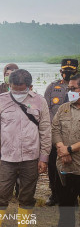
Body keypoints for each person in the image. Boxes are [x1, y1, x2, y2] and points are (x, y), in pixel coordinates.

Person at [0, 69, 51, 227]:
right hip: (7, 158)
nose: (16, 93)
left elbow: (45, 129)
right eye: (13, 89)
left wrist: (44, 157)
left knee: (27, 196)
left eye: (20, 90)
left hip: (31, 157)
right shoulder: (1, 100)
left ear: (29, 87)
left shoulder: (39, 101)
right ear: (9, 85)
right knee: (1, 195)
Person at [44, 58, 78, 206]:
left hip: (74, 141)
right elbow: (45, 110)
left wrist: (68, 149)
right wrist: (60, 146)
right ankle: (55, 194)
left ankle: (72, 195)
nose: (68, 73)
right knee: (54, 166)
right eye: (65, 71)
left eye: (71, 71)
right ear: (61, 71)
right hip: (56, 137)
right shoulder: (52, 87)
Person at [52, 73, 80, 227]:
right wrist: (61, 149)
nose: (70, 91)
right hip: (64, 166)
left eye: (73, 88)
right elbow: (55, 129)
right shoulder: (63, 108)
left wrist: (68, 149)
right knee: (65, 208)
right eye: (69, 88)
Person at [0, 63, 20, 198]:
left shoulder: (23, 87)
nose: (9, 77)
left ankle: (19, 188)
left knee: (20, 162)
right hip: (2, 133)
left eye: (12, 74)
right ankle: (3, 191)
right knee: (3, 163)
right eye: (7, 75)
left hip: (20, 133)